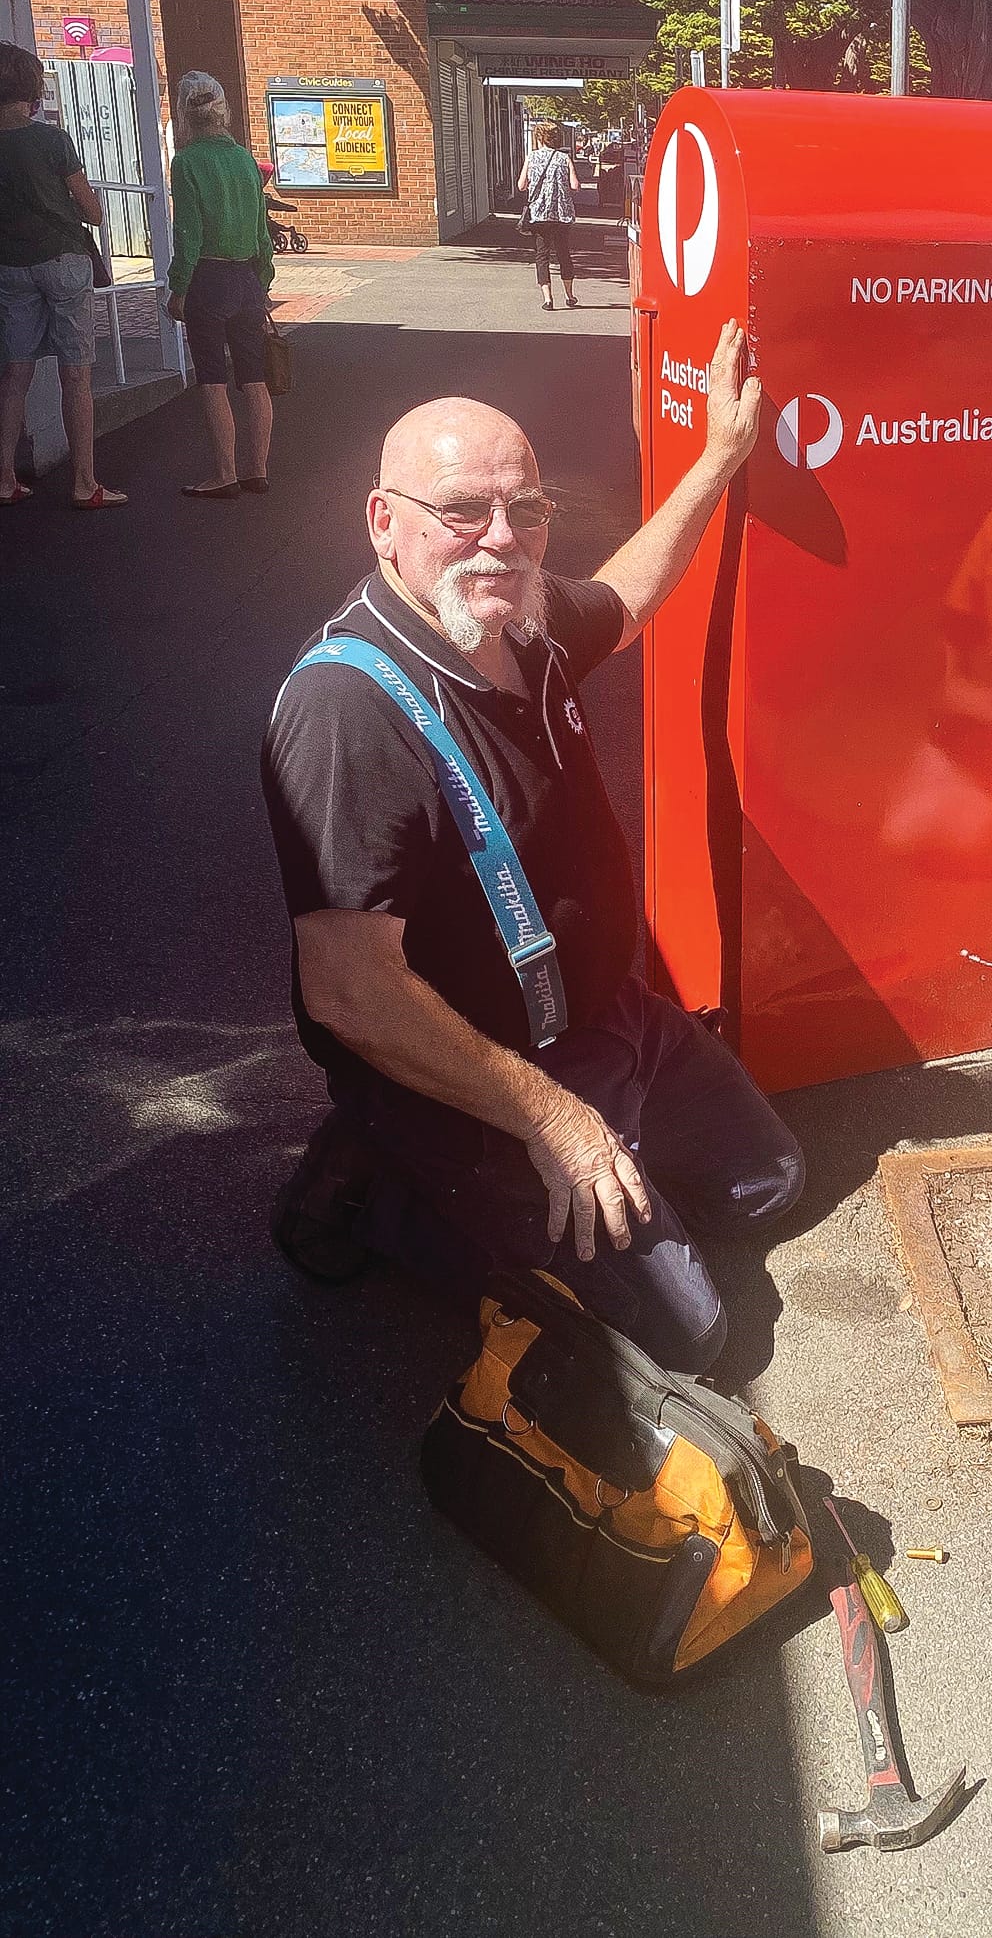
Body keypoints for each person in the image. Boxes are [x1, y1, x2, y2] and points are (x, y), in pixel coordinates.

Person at [262, 321, 802, 1373]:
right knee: (688, 1335)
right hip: (483, 1079)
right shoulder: (346, 709)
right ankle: (385, 1184)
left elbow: (633, 596)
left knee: (765, 1184)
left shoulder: (519, 620)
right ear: (385, 522)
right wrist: (552, 1117)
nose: (500, 538)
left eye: (527, 509)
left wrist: (717, 460)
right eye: (461, 511)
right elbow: (345, 992)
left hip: (608, 1024)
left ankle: (605, 1151)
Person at [0, 43, 127, 510]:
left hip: (11, 266)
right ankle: (84, 484)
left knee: (15, 374)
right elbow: (92, 211)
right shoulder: (52, 141)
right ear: (30, 88)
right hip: (64, 261)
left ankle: (4, 478)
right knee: (76, 377)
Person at [165, 71, 276, 500]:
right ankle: (258, 469)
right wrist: (262, 279)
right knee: (254, 378)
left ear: (186, 114)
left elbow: (188, 232)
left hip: (208, 279)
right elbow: (261, 231)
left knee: (212, 378)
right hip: (247, 276)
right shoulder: (246, 160)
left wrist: (179, 286)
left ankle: (225, 473)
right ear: (224, 110)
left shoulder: (187, 162)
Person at [517, 124, 579, 311]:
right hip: (561, 214)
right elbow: (575, 185)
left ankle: (548, 299)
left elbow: (521, 185)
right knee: (563, 254)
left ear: (538, 138)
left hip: (539, 214)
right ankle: (569, 295)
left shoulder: (532, 158)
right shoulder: (564, 158)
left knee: (542, 255)